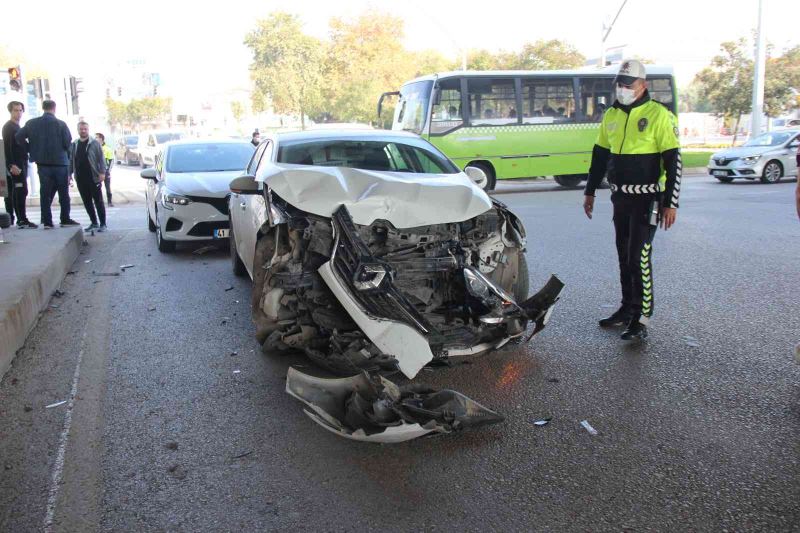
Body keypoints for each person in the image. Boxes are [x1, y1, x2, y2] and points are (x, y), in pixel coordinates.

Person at [582, 60, 681, 341]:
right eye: (620, 84)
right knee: (624, 255)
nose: (623, 89)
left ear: (643, 85)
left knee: (639, 256)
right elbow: (600, 156)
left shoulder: (659, 115)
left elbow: (674, 162)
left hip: (648, 198)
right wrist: (590, 191)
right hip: (620, 197)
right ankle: (627, 308)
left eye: (629, 84)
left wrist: (670, 202)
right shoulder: (611, 115)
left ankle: (642, 316)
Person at [15, 100, 78, 229]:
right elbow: (67, 144)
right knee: (63, 193)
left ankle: (47, 222)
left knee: (45, 193)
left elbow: (18, 137)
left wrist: (30, 148)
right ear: (54, 109)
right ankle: (65, 218)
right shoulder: (61, 124)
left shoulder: (32, 123)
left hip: (42, 163)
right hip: (60, 163)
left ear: (43, 108)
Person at [3, 101, 37, 228]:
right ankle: (21, 219)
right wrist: (11, 164)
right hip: (15, 165)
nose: (18, 113)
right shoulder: (9, 127)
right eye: (15, 110)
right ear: (11, 111)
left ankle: (20, 218)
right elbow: (7, 147)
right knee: (19, 190)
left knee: (21, 191)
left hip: (22, 163)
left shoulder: (18, 127)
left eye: (20, 110)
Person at [69, 121, 107, 232]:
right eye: (81, 129)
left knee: (98, 201)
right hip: (80, 178)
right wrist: (69, 174)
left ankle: (103, 224)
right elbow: (71, 160)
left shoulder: (94, 143)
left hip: (93, 177)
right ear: (78, 130)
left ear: (88, 130)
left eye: (85, 129)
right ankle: (94, 222)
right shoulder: (75, 144)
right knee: (87, 201)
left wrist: (102, 172)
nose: (83, 131)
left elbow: (101, 159)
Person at [95, 133, 114, 206]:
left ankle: (109, 201)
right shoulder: (94, 148)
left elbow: (111, 160)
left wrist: (108, 170)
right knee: (97, 188)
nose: (96, 139)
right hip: (96, 172)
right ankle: (98, 202)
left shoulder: (107, 149)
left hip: (105, 171)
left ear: (101, 139)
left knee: (107, 187)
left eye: (97, 137)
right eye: (95, 137)